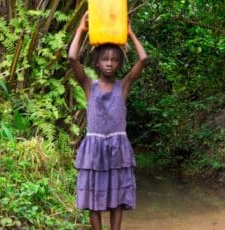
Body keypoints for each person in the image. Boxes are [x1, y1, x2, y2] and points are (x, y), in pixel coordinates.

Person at [68, 11, 148, 230]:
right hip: (94, 148)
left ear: (119, 63)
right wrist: (81, 30)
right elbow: (72, 58)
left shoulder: (123, 86)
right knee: (94, 201)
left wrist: (130, 33)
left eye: (114, 59)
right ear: (97, 63)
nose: (110, 63)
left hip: (117, 148)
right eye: (105, 59)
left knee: (117, 199)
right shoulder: (88, 85)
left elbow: (143, 59)